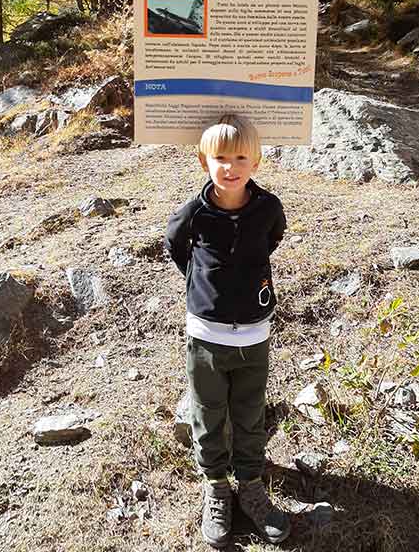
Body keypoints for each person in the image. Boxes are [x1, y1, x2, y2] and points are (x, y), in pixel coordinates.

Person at [165, 114, 290, 549]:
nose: (230, 166)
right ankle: (216, 486)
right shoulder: (194, 213)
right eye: (220, 157)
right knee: (207, 411)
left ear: (255, 161)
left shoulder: (268, 208)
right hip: (205, 335)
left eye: (240, 157)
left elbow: (273, 238)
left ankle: (252, 485)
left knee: (250, 412)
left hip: (254, 336)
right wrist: (204, 283)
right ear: (204, 161)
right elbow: (175, 245)